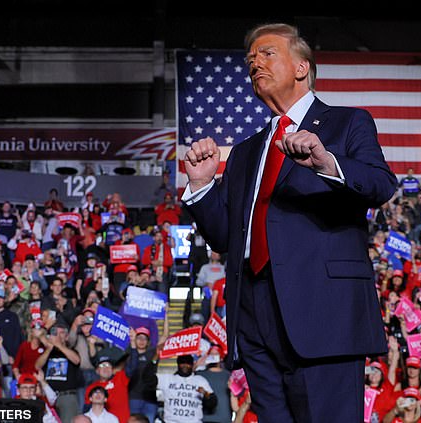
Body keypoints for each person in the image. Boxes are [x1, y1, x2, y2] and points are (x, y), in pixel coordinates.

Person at [181, 22, 396, 423]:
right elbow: (226, 236)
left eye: (266, 53)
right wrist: (202, 185)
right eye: (250, 59)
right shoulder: (246, 152)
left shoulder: (347, 123)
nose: (253, 63)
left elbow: (381, 184)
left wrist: (326, 162)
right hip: (253, 316)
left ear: (301, 67)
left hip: (322, 312)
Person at [157, 354, 217, 423]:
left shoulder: (200, 380)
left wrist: (205, 394)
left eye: (188, 363)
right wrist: (155, 359)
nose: (185, 365)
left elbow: (213, 402)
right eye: (182, 362)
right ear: (178, 364)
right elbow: (148, 379)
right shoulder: (167, 379)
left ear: (192, 365)